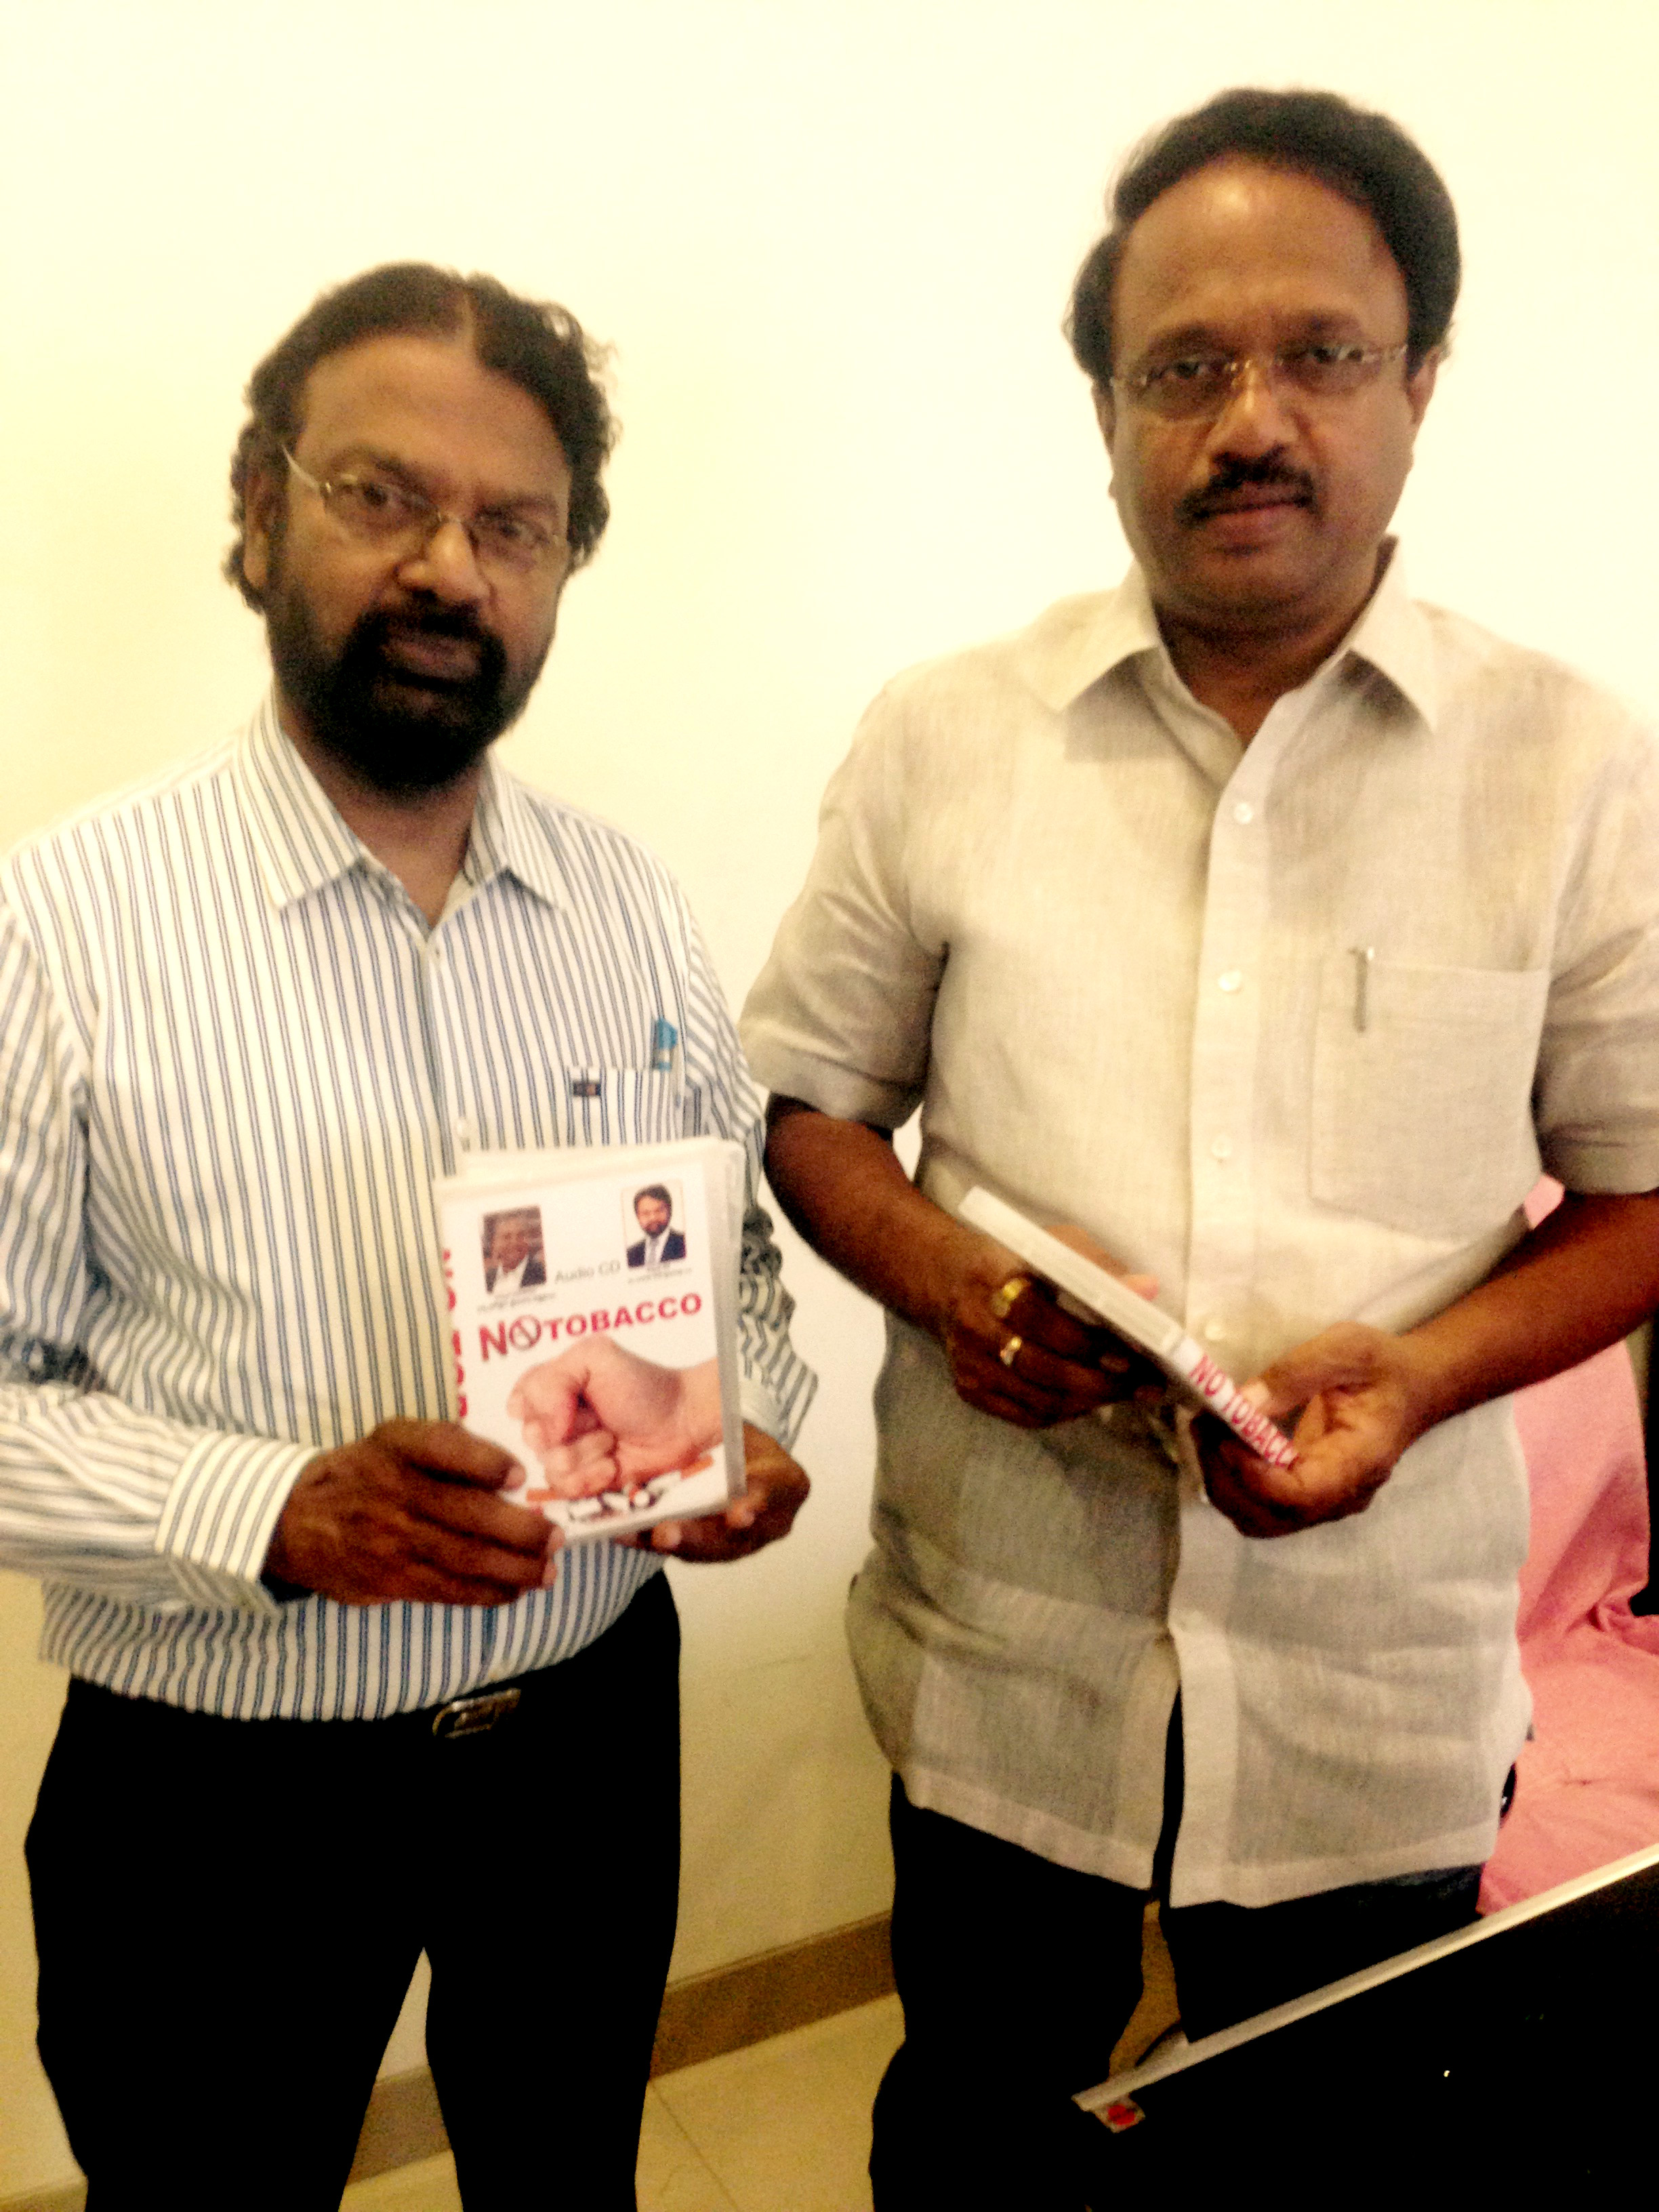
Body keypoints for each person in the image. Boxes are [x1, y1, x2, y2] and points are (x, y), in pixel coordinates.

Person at [739, 87, 1659, 2208]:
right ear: (1106, 411)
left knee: (1338, 2158)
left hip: (1376, 1698)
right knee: (974, 2130)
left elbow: (1639, 1198)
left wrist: (1417, 1376)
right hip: (1005, 1674)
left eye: (1321, 353)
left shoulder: (1571, 766)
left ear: (1420, 382)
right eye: (1182, 368)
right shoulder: (942, 736)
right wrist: (955, 1283)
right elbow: (812, 1110)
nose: (1252, 420)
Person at [0, 262, 815, 2211]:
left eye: (512, 526)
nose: (450, 567)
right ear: (259, 510)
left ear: (561, 568)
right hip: (220, 1776)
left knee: (568, 2184)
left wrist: (757, 1424)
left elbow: (736, 1257)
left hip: (586, 1733)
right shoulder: (58, 926)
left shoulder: (629, 907)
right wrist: (275, 1508)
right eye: (382, 496)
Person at [483, 1206, 546, 1292]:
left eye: (520, 1236)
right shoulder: (487, 1279)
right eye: (506, 1237)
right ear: (495, 1243)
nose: (514, 1242)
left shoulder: (541, 1274)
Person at [626, 1183, 687, 1267]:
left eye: (659, 1211)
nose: (653, 1218)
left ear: (670, 1211)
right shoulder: (631, 1254)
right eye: (646, 1213)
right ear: (637, 1216)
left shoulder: (685, 1244)